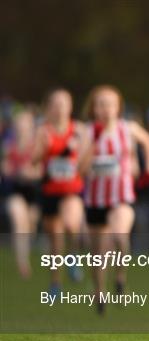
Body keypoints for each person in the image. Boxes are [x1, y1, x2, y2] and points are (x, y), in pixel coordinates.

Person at [80, 85, 149, 315]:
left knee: (119, 236)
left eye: (110, 104)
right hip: (95, 200)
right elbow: (80, 170)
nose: (105, 109)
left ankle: (120, 277)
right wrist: (94, 143)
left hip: (121, 196)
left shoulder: (128, 128)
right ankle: (100, 293)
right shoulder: (87, 132)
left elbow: (148, 141)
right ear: (93, 108)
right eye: (100, 104)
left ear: (118, 107)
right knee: (98, 252)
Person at [33, 89, 88, 294]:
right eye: (55, 104)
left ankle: (73, 256)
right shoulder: (43, 131)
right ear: (49, 107)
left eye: (64, 104)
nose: (60, 108)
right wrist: (45, 149)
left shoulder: (79, 130)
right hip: (49, 190)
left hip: (72, 189)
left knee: (71, 224)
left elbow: (85, 160)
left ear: (70, 106)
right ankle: (56, 283)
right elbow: (34, 161)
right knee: (55, 240)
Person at [1, 107, 42, 278]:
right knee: (19, 221)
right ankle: (23, 265)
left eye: (26, 124)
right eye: (19, 123)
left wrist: (30, 173)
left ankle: (25, 252)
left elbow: (41, 171)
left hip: (33, 192)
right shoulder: (8, 146)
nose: (22, 127)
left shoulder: (37, 146)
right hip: (14, 190)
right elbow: (5, 168)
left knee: (30, 225)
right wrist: (14, 171)